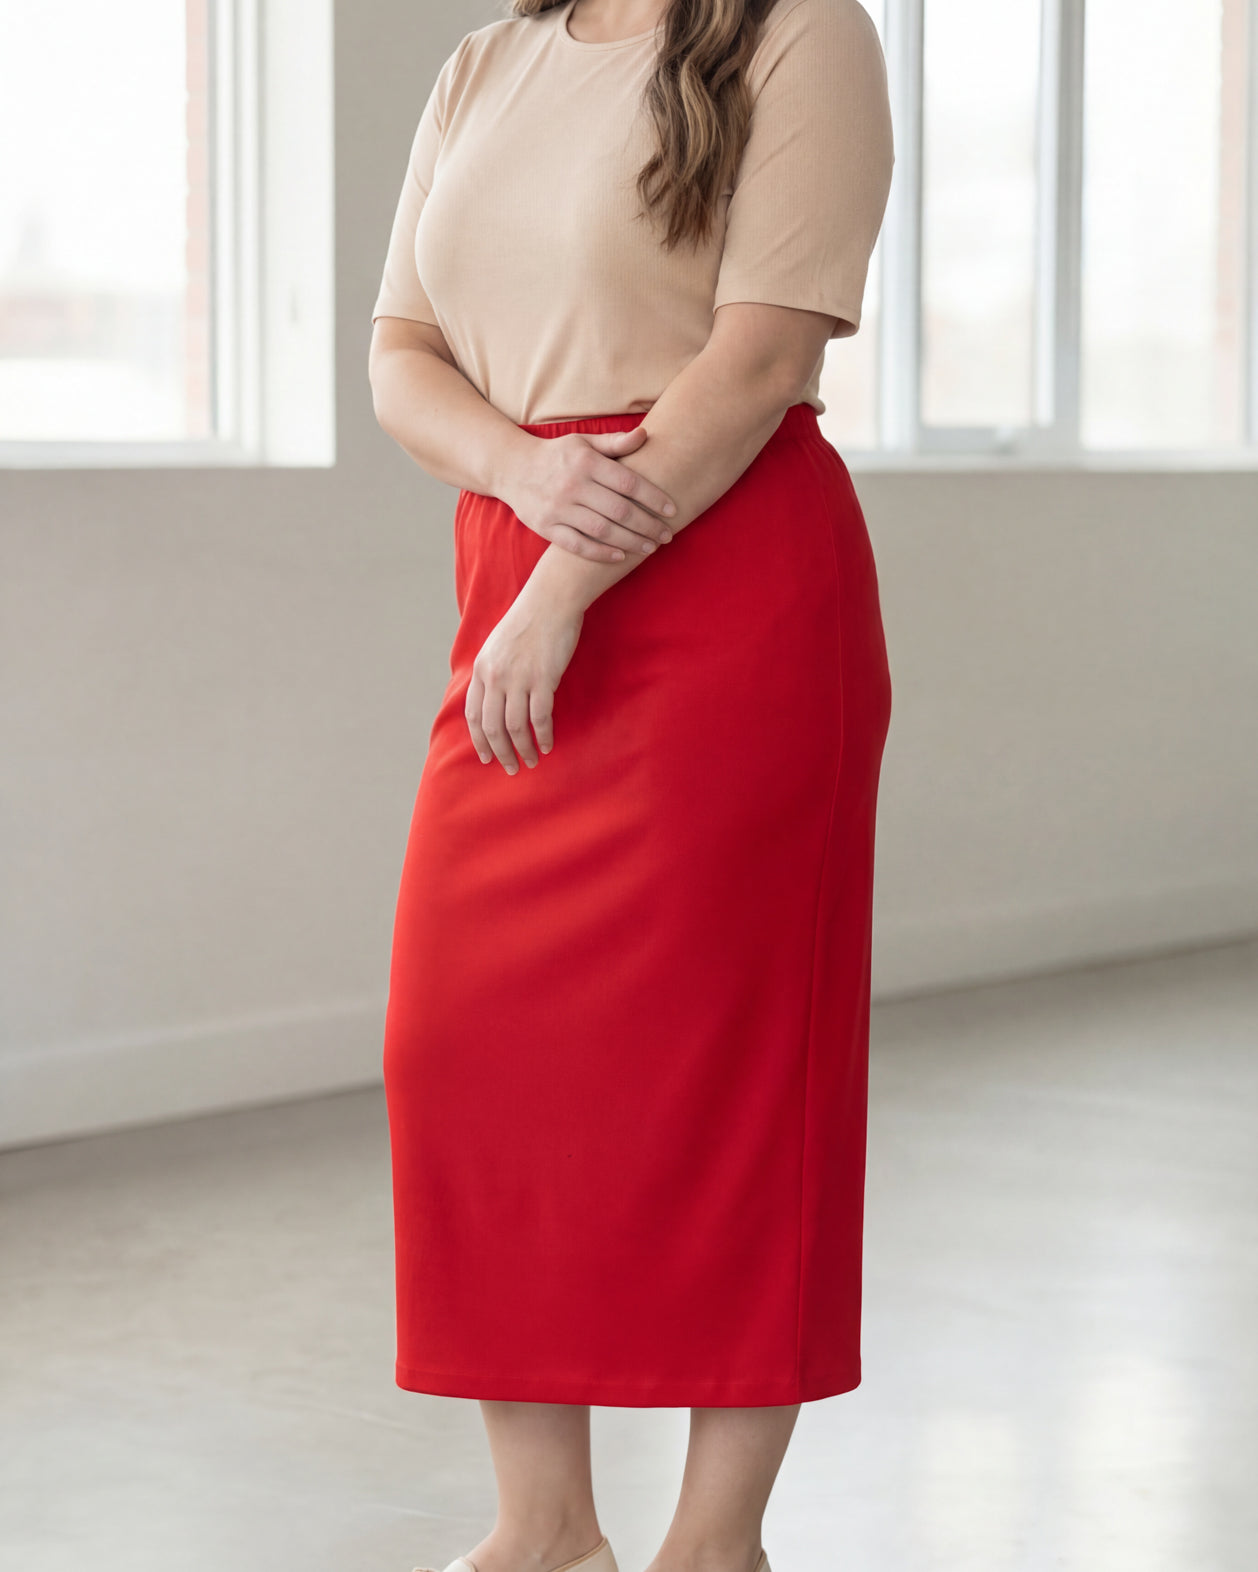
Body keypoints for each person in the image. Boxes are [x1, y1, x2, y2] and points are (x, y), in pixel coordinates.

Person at [366, 2, 895, 1569]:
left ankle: (711, 1545)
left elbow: (762, 357)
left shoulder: (799, 32)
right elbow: (400, 355)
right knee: (459, 1048)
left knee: (735, 1073)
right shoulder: (486, 60)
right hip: (531, 545)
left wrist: (557, 580)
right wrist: (520, 476)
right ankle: (544, 1534)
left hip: (719, 578)